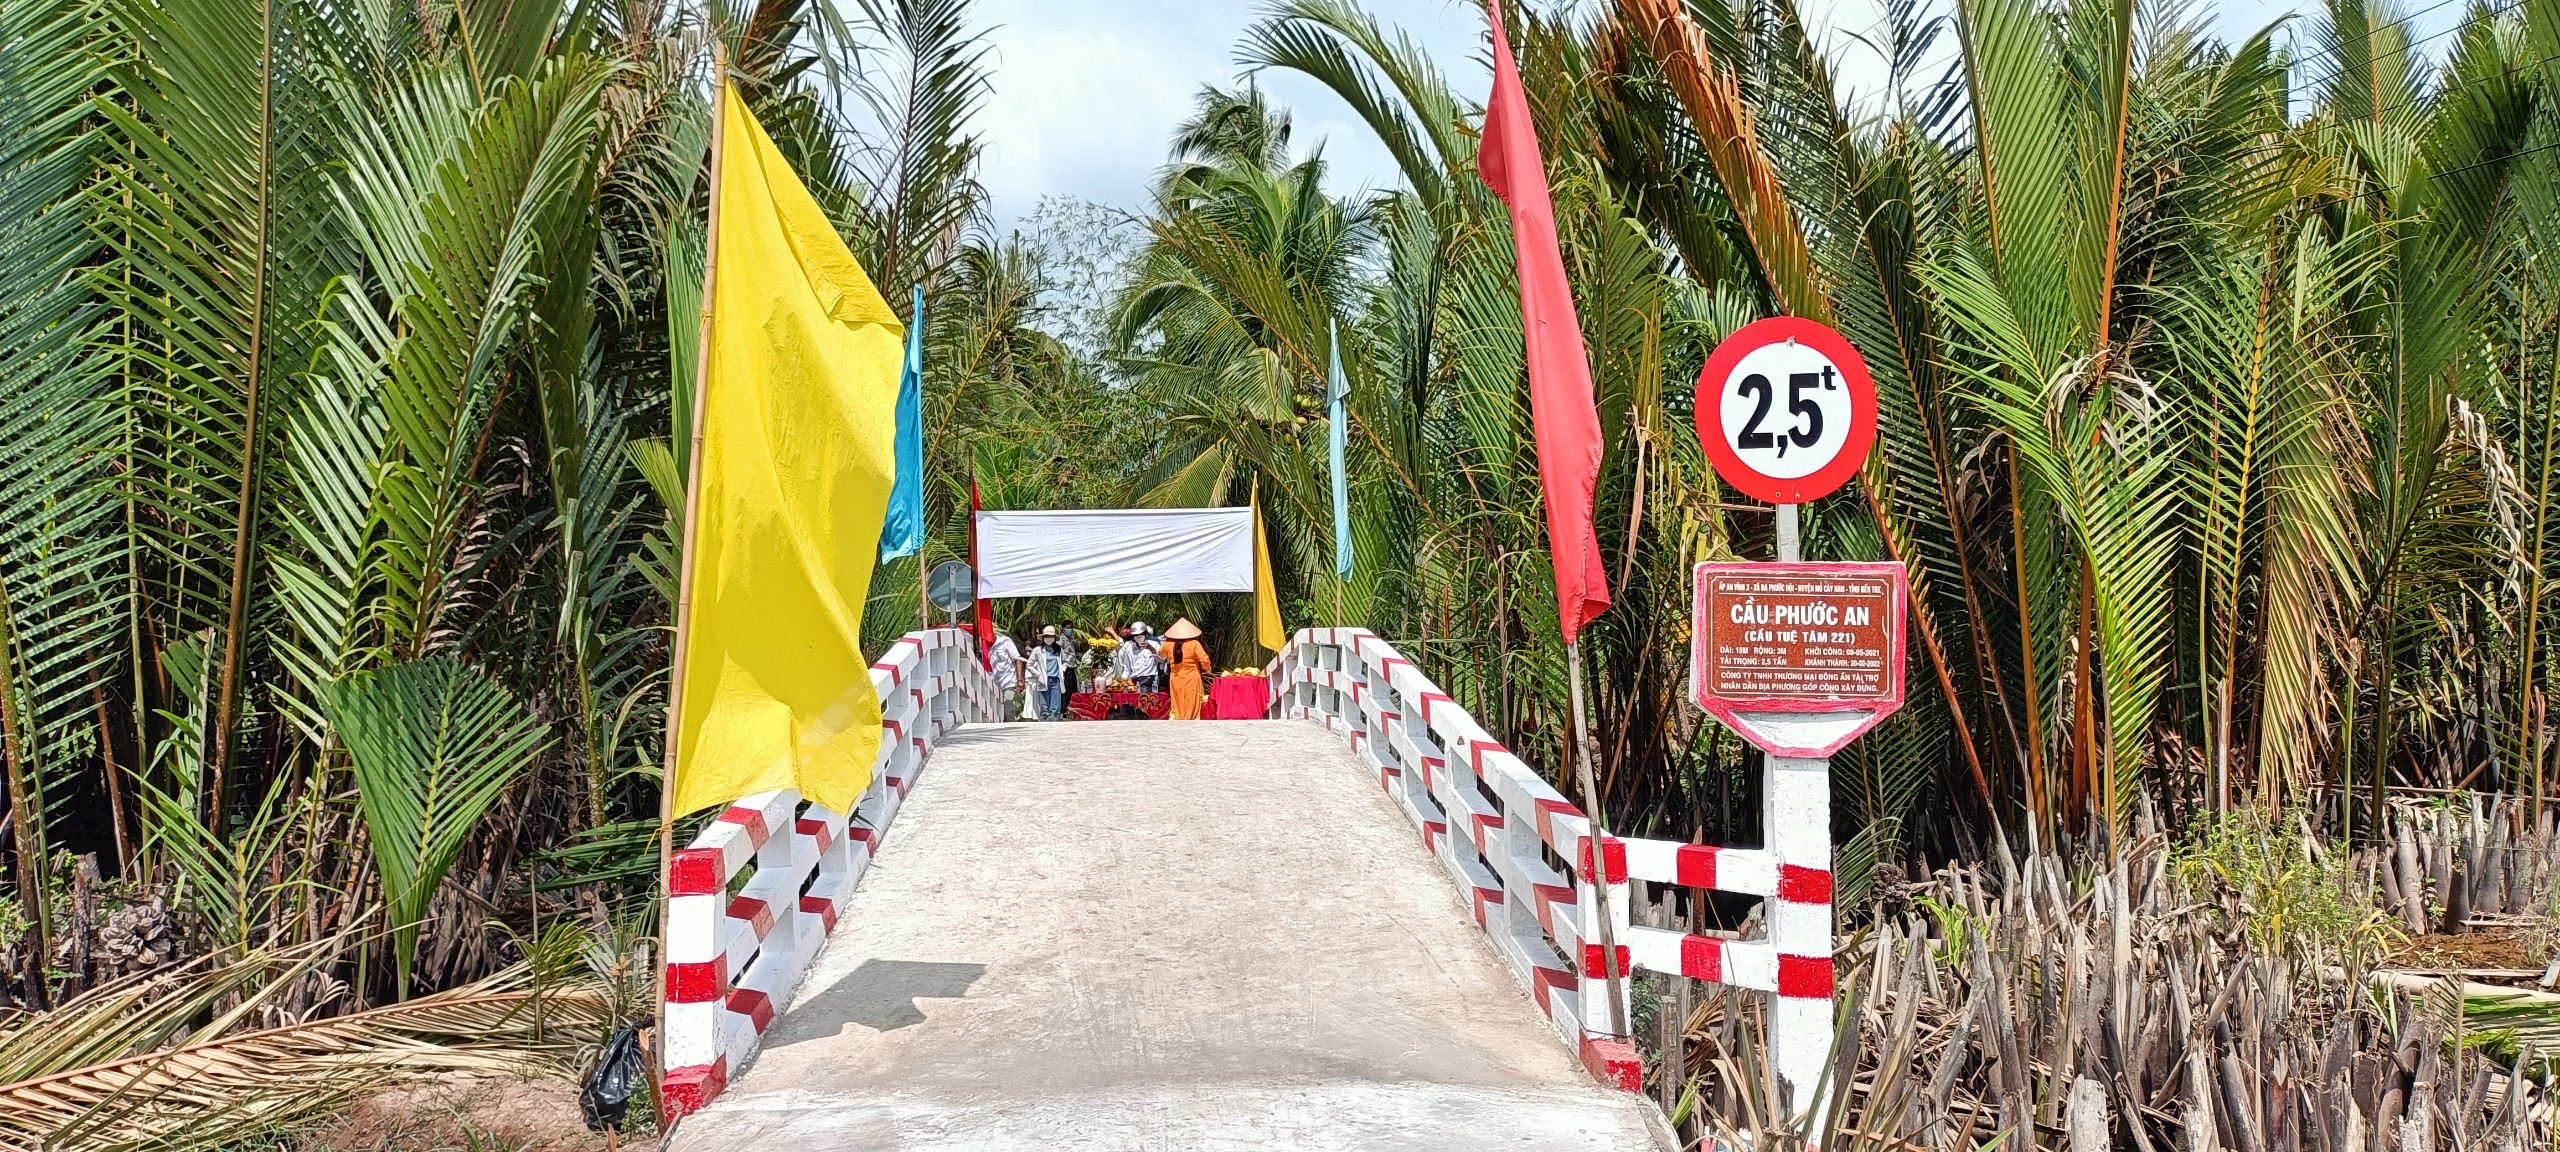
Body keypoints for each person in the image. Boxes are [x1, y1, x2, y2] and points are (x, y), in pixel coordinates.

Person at [1158, 618, 1214, 721]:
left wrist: (1169, 642)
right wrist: (1208, 669)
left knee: (1178, 701)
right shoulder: (1194, 644)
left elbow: (1161, 653)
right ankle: (1192, 720)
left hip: (1175, 678)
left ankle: (1179, 718)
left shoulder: (1169, 644)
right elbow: (1205, 660)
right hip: (1192, 678)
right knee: (1193, 701)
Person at [1026, 626, 1068, 721]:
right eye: (1047, 636)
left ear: (1054, 637)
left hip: (1056, 680)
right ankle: (1044, 723)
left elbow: (1065, 661)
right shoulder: (1038, 650)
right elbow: (1029, 664)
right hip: (1043, 680)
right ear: (1043, 638)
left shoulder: (1058, 649)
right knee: (1044, 705)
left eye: (1051, 636)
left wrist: (1062, 670)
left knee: (1055, 705)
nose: (1049, 638)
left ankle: (1055, 722)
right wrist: (1038, 674)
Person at [987, 628, 1023, 717]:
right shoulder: (984, 646)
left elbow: (1017, 659)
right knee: (997, 713)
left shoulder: (1005, 642)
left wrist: (1020, 680)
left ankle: (1012, 725)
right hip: (993, 684)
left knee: (1008, 709)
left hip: (1008, 682)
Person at [1125, 621, 1164, 694]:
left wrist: (1150, 648)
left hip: (1149, 680)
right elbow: (1127, 669)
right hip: (1134, 682)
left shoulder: (1154, 644)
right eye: (1136, 635)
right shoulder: (1129, 649)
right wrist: (1124, 679)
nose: (1138, 637)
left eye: (1141, 634)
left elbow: (1162, 660)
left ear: (1145, 634)